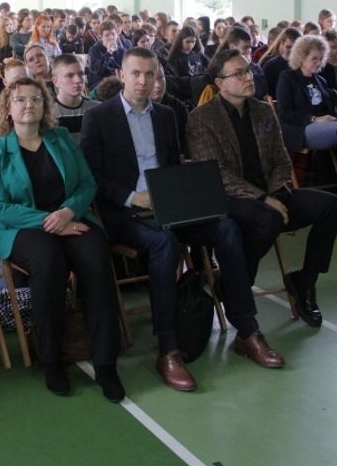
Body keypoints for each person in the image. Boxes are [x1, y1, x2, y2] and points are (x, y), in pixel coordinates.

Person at [81, 47, 281, 391]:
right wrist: (132, 196)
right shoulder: (100, 117)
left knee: (227, 227)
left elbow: (173, 166)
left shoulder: (165, 115)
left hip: (170, 205)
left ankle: (247, 330)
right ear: (121, 75)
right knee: (164, 245)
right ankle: (168, 348)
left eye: (150, 74)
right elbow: (91, 175)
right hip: (127, 211)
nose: (143, 81)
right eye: (136, 74)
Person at [0, 77, 123, 401]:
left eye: (36, 99)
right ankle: (52, 360)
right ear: (7, 108)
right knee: (48, 262)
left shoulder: (59, 138)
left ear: (45, 105)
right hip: (22, 228)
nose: (28, 105)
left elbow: (87, 185)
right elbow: (1, 208)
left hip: (70, 218)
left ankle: (105, 363)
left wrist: (67, 213)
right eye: (20, 100)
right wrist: (52, 222)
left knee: (97, 257)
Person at [187, 48, 337, 332]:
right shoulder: (201, 118)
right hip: (232, 200)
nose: (249, 76)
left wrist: (277, 192)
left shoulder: (262, 110)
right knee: (267, 218)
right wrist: (262, 198)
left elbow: (281, 159)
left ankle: (304, 281)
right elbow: (216, 173)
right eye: (239, 73)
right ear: (221, 84)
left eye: (248, 70)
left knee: (331, 206)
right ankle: (239, 284)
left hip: (272, 194)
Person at [275, 35, 337, 154]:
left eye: (321, 58)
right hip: (299, 129)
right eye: (314, 58)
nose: (319, 62)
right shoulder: (288, 78)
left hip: (322, 126)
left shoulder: (321, 80)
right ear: (302, 57)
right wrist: (314, 119)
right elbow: (285, 113)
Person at [51, 53, 96, 140]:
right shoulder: (48, 113)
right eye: (70, 76)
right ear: (55, 81)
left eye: (81, 74)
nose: (78, 80)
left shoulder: (96, 109)